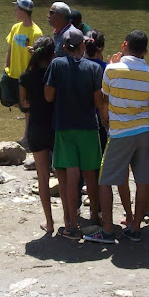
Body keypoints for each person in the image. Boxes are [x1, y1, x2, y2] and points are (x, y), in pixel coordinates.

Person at [87, 30, 149, 244]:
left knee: (105, 180)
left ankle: (108, 231)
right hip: (146, 131)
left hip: (120, 132)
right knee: (143, 181)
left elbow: (105, 97)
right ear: (145, 52)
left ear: (124, 44)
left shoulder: (111, 69)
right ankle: (135, 228)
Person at [44, 27, 103, 238]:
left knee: (70, 174)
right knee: (90, 173)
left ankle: (70, 223)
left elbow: (49, 96)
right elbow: (98, 101)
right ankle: (95, 217)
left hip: (64, 125)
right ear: (83, 45)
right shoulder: (94, 68)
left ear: (63, 46)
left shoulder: (57, 65)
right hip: (88, 126)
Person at [19, 36, 56, 233]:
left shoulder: (26, 77)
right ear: (52, 54)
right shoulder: (55, 75)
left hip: (35, 128)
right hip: (56, 127)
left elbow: (23, 104)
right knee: (64, 175)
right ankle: (69, 220)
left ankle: (49, 223)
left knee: (42, 177)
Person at [1, 0, 43, 148]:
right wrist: (6, 66)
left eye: (16, 9)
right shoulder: (15, 28)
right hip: (13, 73)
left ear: (24, 12)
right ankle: (28, 135)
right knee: (16, 102)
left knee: (27, 107)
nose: (15, 11)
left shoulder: (36, 32)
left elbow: (38, 57)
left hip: (27, 76)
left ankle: (27, 137)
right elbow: (10, 48)